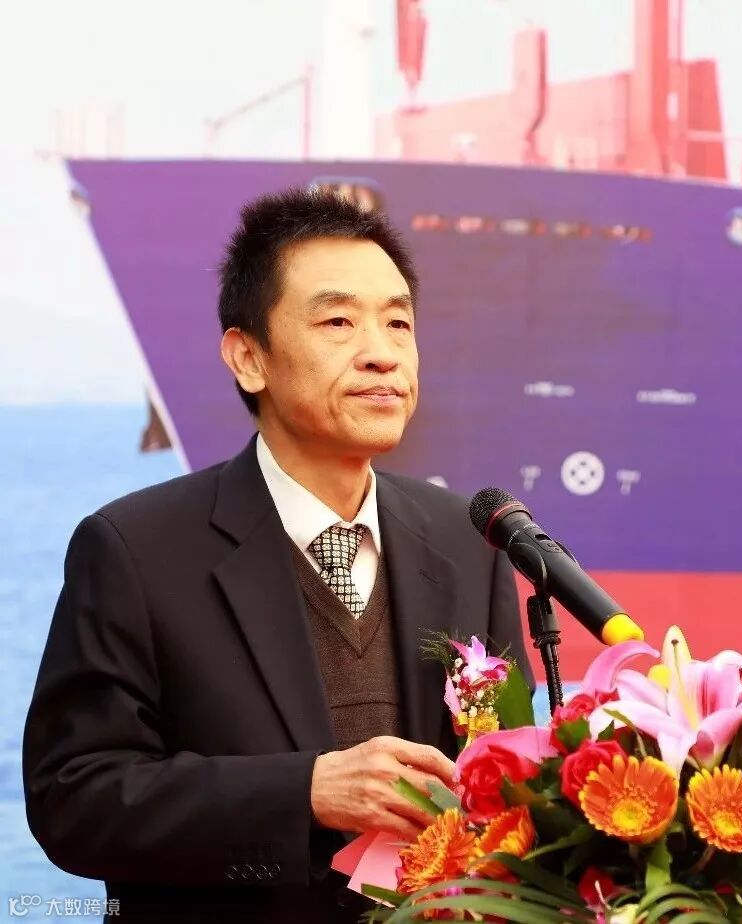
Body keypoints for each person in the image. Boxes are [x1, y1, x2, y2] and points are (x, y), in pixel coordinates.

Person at [23, 187, 532, 923]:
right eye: (338, 322)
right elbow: (74, 799)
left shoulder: (466, 538)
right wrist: (304, 793)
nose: (382, 353)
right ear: (248, 357)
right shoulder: (134, 549)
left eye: (398, 322)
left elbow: (501, 767)